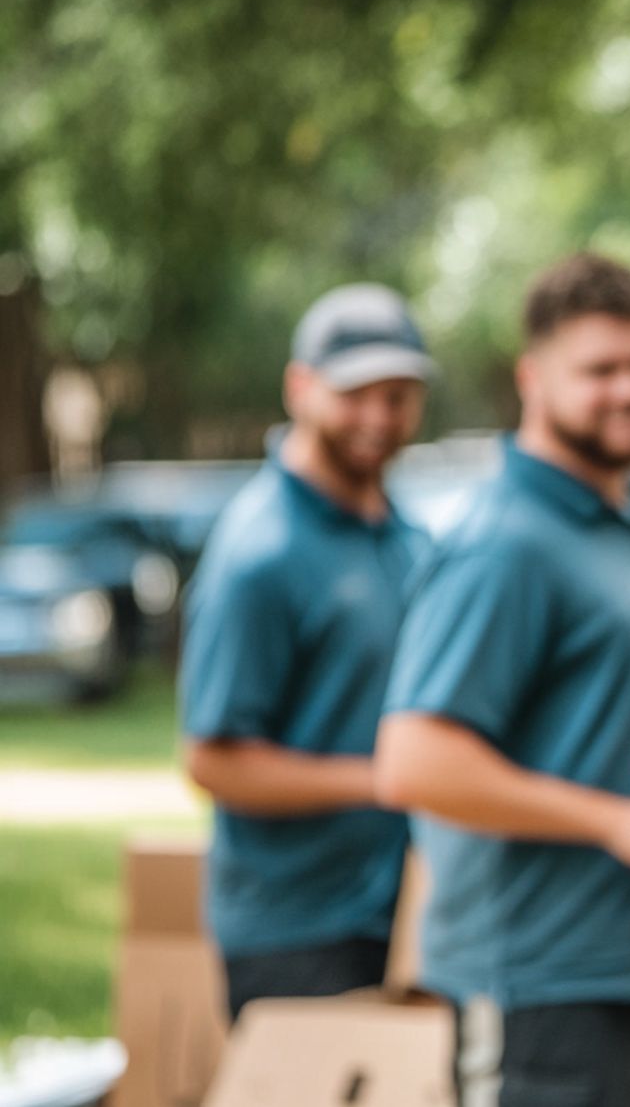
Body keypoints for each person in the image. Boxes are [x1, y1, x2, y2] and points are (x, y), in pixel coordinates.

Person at [374, 253, 630, 1107]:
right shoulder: (502, 543)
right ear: (533, 378)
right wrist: (615, 822)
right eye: (601, 370)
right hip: (541, 986)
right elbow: (414, 759)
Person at [179, 284, 434, 1021]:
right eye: (356, 394)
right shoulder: (259, 552)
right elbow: (212, 759)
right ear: (300, 388)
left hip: (403, 915)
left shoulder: (406, 537)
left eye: (398, 396)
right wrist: (385, 780)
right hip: (296, 933)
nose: (379, 419)